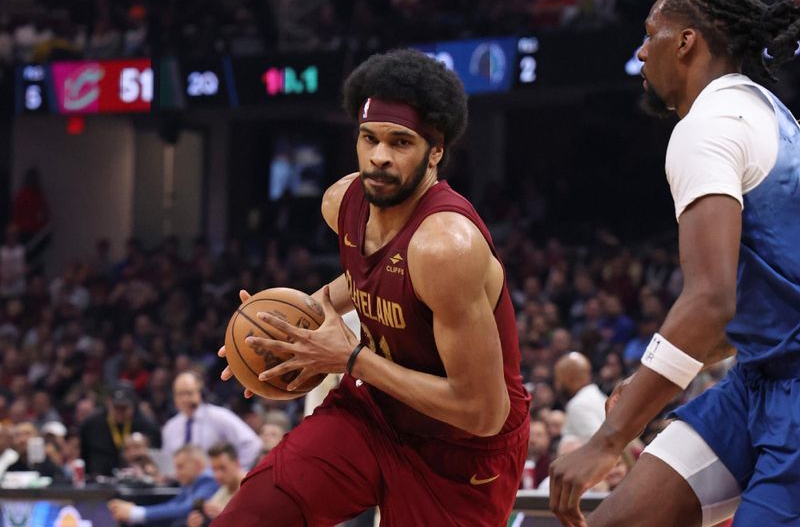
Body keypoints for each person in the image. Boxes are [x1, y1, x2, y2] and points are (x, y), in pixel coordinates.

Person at [215, 49, 530, 526]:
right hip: (372, 415)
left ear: (436, 150)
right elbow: (372, 277)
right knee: (252, 515)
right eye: (369, 138)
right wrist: (293, 326)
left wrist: (351, 359)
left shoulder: (446, 248)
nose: (379, 157)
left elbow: (481, 411)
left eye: (401, 142)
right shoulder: (341, 202)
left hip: (462, 454)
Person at [548, 0, 800, 527]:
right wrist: (643, 385)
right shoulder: (770, 113)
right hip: (758, 381)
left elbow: (711, 304)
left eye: (649, 33)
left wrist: (612, 436)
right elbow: (758, 312)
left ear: (686, 42)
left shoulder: (707, 125)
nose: (640, 53)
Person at [161, 372, 261, 471]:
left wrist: (236, 473)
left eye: (189, 393)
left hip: (218, 483)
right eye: (180, 394)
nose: (185, 399)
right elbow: (168, 465)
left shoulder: (219, 416)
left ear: (200, 392)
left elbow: (252, 443)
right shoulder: (170, 427)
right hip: (182, 486)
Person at [108, 444, 218, 525]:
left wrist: (136, 513)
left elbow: (186, 509)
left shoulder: (209, 479)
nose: (176, 473)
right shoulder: (192, 482)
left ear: (197, 465)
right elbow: (173, 504)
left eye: (180, 467)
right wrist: (136, 510)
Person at [79, 382, 161, 478]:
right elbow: (83, 454)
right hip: (99, 483)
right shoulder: (91, 424)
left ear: (133, 405)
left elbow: (156, 457)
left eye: (124, 408)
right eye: (116, 407)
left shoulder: (147, 426)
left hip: (138, 484)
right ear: (108, 403)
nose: (120, 412)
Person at [187, 443, 245, 527]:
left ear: (237, 464)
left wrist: (227, 517)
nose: (218, 475)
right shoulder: (220, 494)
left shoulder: (254, 487)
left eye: (222, 468)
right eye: (214, 469)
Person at [553, 352, 607, 442]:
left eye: (559, 378)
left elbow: (600, 444)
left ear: (568, 378)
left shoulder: (578, 405)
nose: (557, 384)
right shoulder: (597, 396)